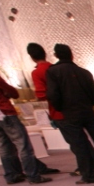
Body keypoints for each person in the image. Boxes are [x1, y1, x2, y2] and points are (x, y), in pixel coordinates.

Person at [0, 47, 51, 185]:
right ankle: (33, 175)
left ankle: (12, 174)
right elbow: (13, 93)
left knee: (4, 145)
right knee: (23, 144)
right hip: (5, 112)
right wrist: (5, 94)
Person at [46, 44, 94, 184]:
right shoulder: (84, 72)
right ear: (72, 55)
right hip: (88, 111)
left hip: (70, 113)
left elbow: (52, 94)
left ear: (55, 55)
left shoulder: (52, 72)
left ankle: (90, 176)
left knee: (80, 145)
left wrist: (61, 107)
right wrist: (89, 104)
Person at [23, 43, 63, 177]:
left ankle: (88, 166)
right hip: (70, 106)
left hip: (57, 109)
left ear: (31, 57)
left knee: (73, 139)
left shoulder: (37, 72)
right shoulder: (55, 67)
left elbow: (41, 94)